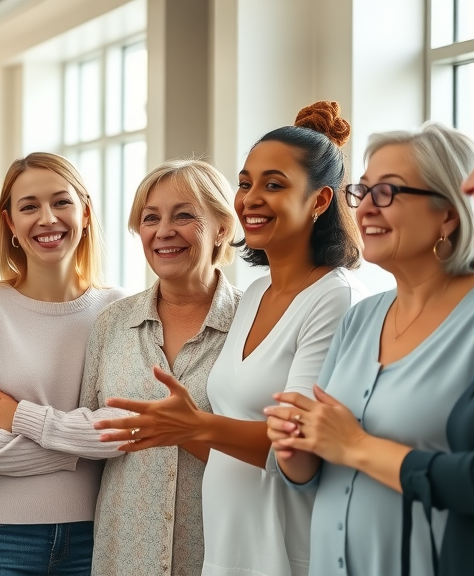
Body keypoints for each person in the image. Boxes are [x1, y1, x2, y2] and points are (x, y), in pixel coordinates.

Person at [273, 83, 474, 576]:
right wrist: (298, 444)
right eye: (361, 190)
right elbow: (322, 464)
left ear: (448, 214)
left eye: (385, 191)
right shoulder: (362, 316)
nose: (364, 207)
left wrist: (355, 445)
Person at [96, 101, 364, 576]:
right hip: (227, 546)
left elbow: (298, 449)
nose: (251, 198)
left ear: (321, 201)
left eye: (274, 185)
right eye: (246, 183)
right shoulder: (258, 294)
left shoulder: (332, 298)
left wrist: (194, 425)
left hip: (280, 547)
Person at [0, 158, 243, 575]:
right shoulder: (114, 322)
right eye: (151, 218)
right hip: (121, 557)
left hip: (217, 553)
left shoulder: (252, 322)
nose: (164, 230)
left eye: (184, 215)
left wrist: (21, 416)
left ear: (222, 226)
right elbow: (88, 431)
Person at [0, 152, 125, 576]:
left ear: (85, 211)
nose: (47, 219)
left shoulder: (117, 309)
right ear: (10, 223)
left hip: (94, 533)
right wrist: (78, 450)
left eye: (61, 202)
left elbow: (122, 430)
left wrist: (22, 417)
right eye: (29, 206)